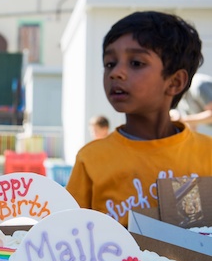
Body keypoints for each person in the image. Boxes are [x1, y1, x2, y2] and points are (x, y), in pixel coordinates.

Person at [66, 11, 212, 227]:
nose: (116, 73)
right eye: (109, 63)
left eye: (135, 63)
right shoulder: (91, 159)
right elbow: (67, 232)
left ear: (175, 82)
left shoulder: (206, 154)